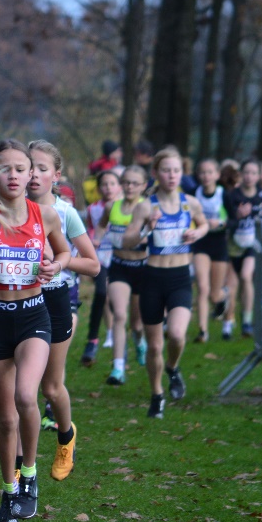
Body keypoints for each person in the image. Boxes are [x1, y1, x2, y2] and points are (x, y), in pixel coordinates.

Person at [0, 139, 71, 522]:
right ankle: (9, 491)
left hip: (32, 315)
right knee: (5, 419)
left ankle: (31, 475)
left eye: (21, 168)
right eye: (4, 169)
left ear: (31, 174)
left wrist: (55, 267)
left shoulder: (46, 215)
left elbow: (66, 252)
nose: (14, 176)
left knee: (27, 395)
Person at [120, 147, 210, 418]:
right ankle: (157, 394)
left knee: (178, 335)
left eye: (176, 170)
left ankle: (172, 367)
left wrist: (197, 232)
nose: (172, 175)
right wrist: (147, 227)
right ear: (156, 173)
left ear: (182, 173)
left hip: (180, 278)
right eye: (166, 170)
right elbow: (126, 241)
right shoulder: (146, 206)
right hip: (152, 279)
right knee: (155, 345)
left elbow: (205, 224)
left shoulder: (190, 203)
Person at [28, 140, 99, 480]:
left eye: (42, 168)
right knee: (18, 389)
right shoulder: (11, 209)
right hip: (16, 301)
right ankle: (20, 468)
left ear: (55, 176)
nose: (33, 174)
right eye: (29, 167)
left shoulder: (65, 213)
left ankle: (66, 436)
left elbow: (93, 265)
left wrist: (60, 263)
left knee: (50, 388)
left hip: (55, 299)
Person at [103, 165, 150, 385]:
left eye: (134, 183)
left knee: (138, 323)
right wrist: (99, 239)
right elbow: (101, 226)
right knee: (120, 315)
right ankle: (118, 368)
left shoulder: (148, 208)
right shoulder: (112, 206)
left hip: (142, 267)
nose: (129, 187)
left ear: (144, 186)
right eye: (126, 182)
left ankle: (140, 342)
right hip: (119, 265)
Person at [224, 159, 262, 338]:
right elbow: (226, 220)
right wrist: (237, 215)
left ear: (258, 176)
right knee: (232, 285)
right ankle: (228, 322)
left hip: (253, 244)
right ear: (240, 175)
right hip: (234, 244)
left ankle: (247, 321)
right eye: (246, 173)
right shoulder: (231, 195)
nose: (249, 177)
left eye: (253, 173)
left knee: (246, 276)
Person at [81, 169, 123, 366]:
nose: (108, 188)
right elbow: (90, 229)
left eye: (112, 184)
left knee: (116, 298)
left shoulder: (127, 207)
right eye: (104, 184)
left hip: (122, 256)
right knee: (101, 292)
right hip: (101, 257)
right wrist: (92, 242)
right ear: (98, 189)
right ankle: (94, 339)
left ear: (119, 186)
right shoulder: (93, 209)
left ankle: (133, 337)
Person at [190, 159, 231, 342]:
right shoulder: (194, 194)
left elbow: (235, 220)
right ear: (198, 175)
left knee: (214, 294)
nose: (206, 176)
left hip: (219, 243)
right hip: (201, 243)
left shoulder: (224, 194)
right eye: (202, 172)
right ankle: (202, 331)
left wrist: (221, 223)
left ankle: (225, 296)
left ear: (217, 175)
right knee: (203, 288)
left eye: (209, 172)